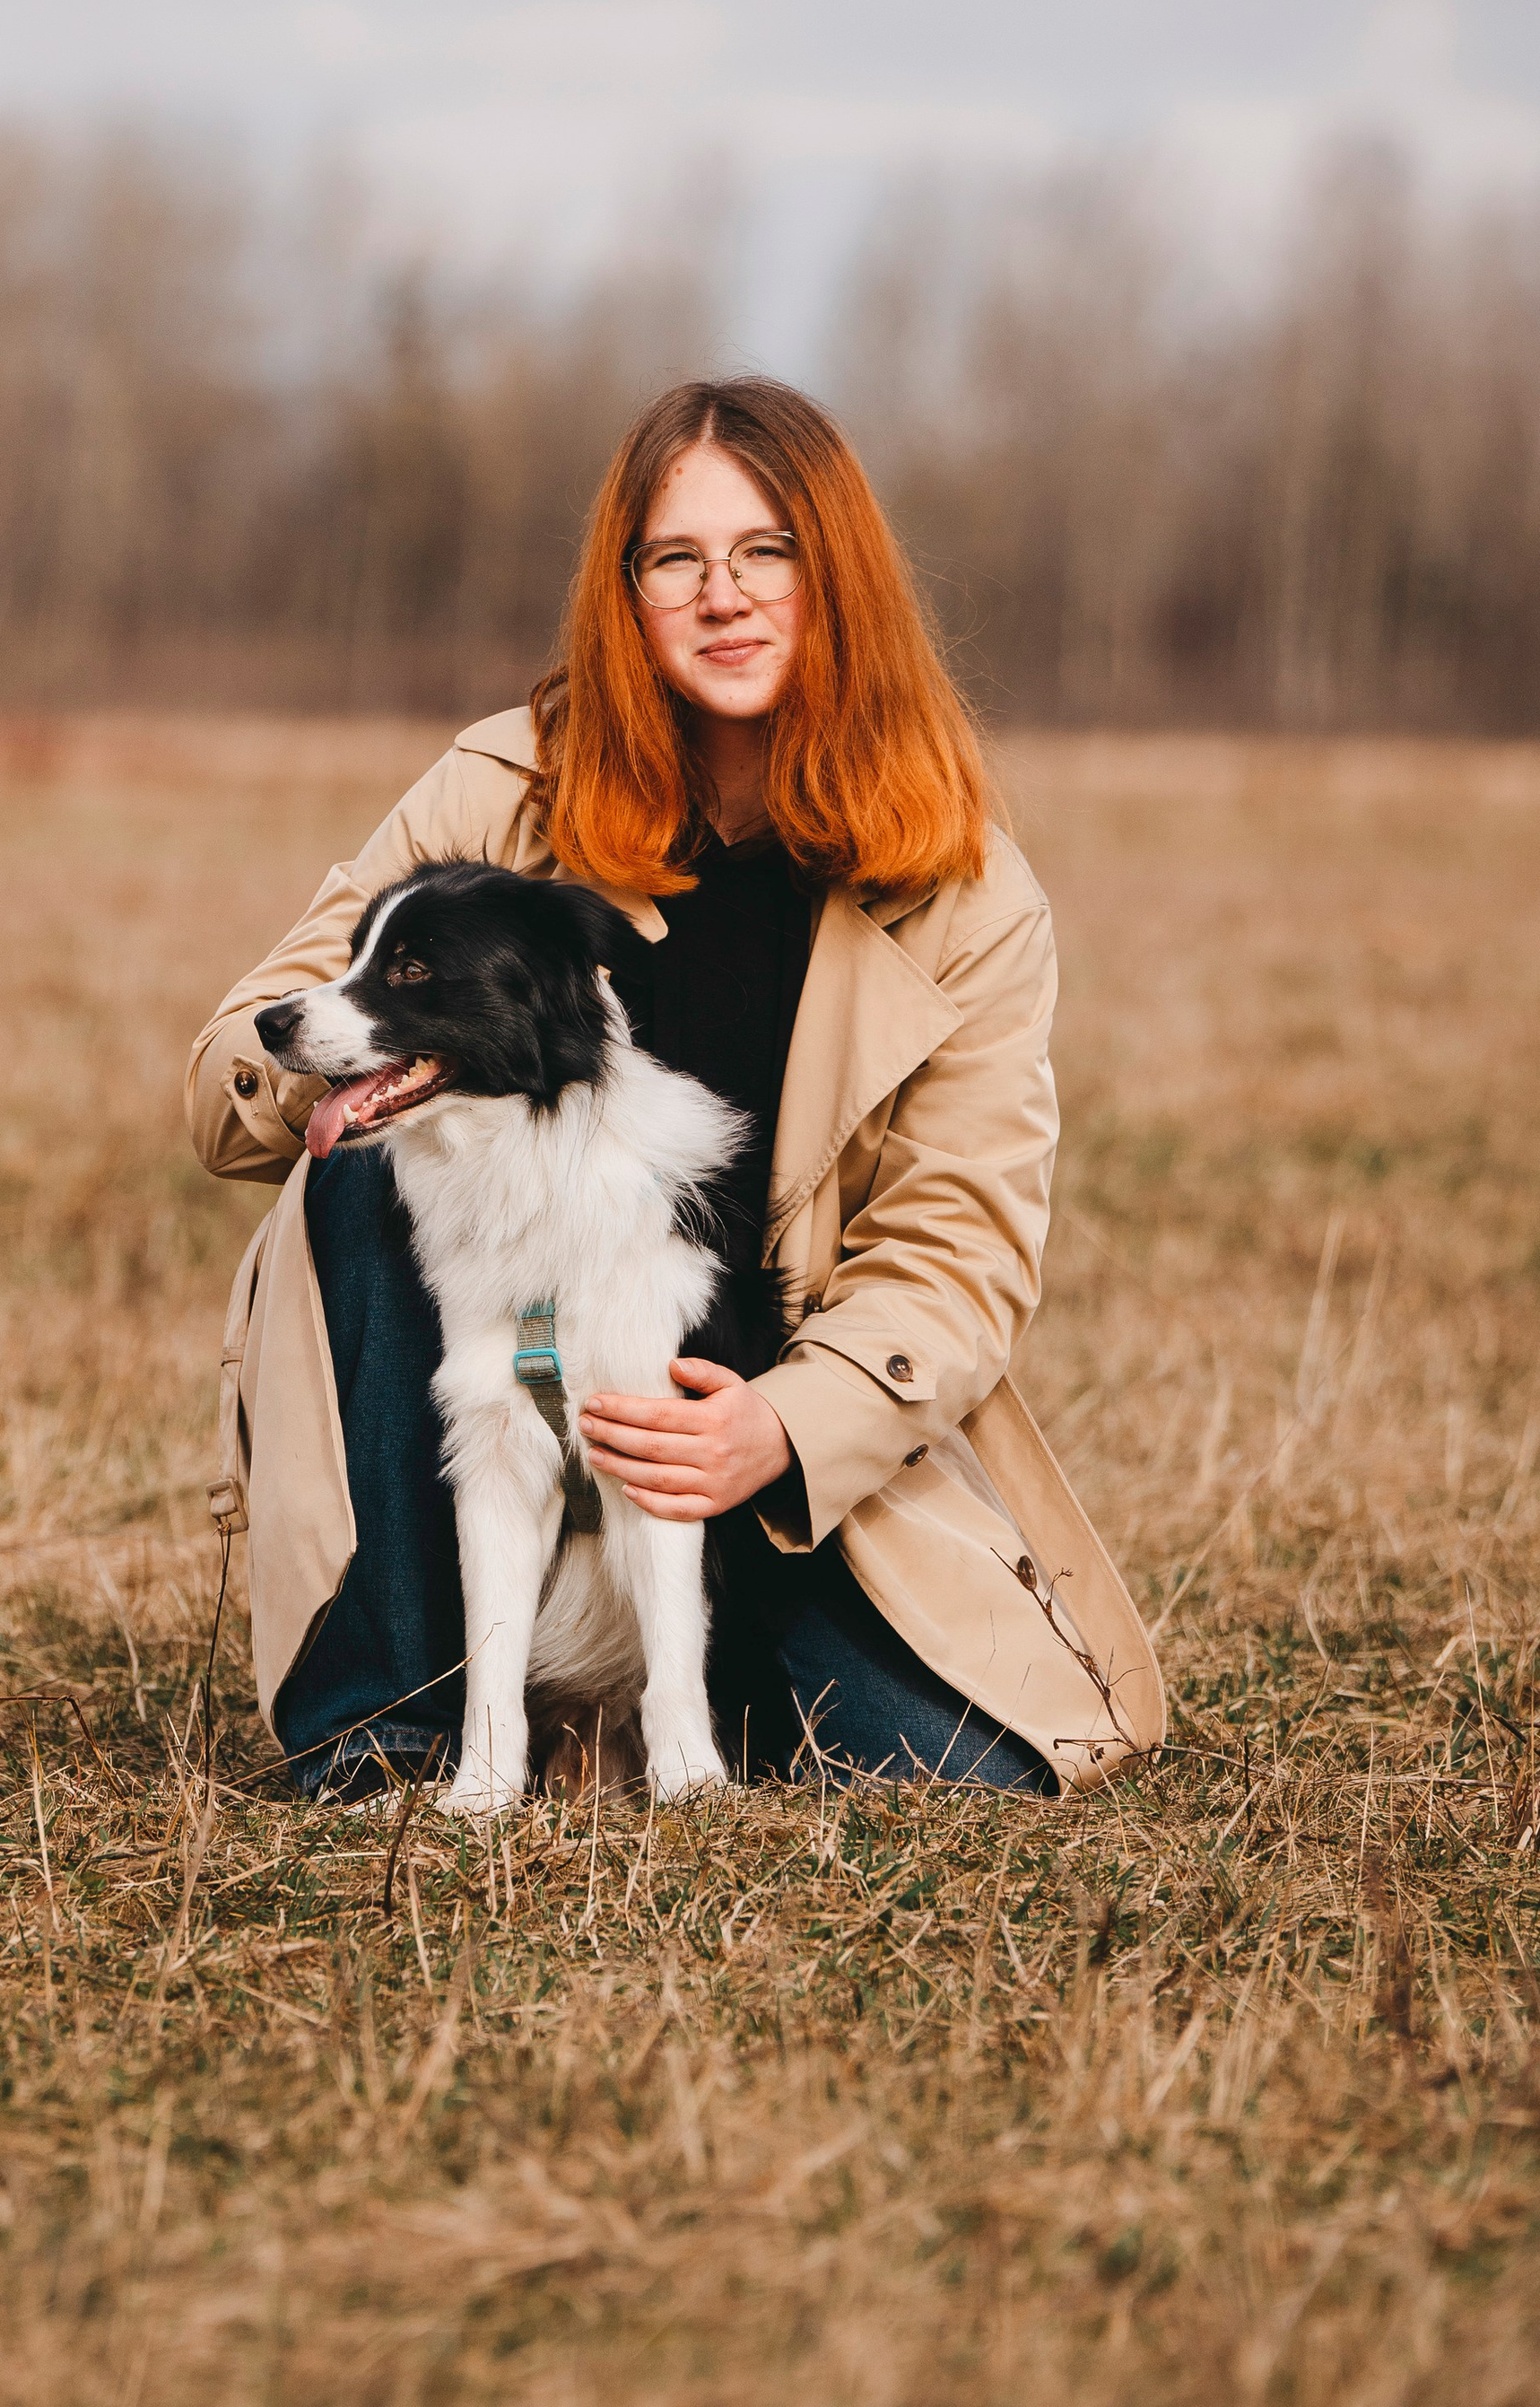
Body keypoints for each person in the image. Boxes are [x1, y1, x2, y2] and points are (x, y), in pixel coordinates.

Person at [189, 378, 1163, 1801]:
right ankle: (390, 1724)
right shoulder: (503, 789)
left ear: (840, 582)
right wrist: (377, 1068)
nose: (728, 595)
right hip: (490, 1384)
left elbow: (962, 1257)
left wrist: (775, 1428)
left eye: (772, 551)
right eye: (678, 558)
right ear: (625, 590)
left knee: (964, 1768)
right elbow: (232, 1072)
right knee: (363, 1167)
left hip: (760, 1440)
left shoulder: (966, 891)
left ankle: (666, 1697)